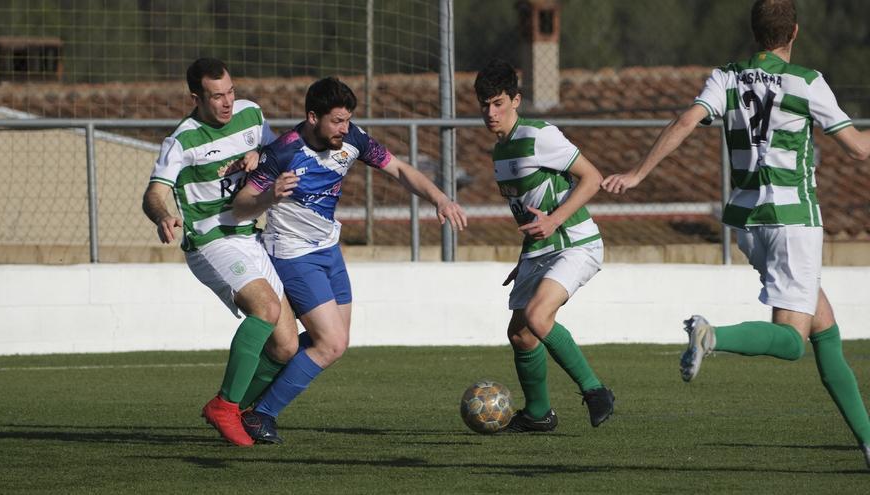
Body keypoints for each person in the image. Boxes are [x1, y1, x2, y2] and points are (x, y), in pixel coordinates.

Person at [602, 0, 870, 468]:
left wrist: (639, 173)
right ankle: (712, 337)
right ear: (795, 33)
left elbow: (687, 120)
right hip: (792, 223)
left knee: (825, 330)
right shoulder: (807, 81)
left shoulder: (726, 76)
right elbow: (859, 150)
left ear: (754, 33)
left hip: (747, 224)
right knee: (791, 342)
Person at [231, 76, 468, 443]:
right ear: (313, 117)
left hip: (328, 249)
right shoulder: (283, 151)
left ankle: (250, 395)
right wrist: (270, 197)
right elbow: (242, 205)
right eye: (337, 121)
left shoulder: (352, 139)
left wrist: (440, 198)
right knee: (332, 343)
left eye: (347, 119)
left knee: (332, 342)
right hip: (292, 253)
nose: (345, 128)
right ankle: (259, 414)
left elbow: (400, 170)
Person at [142, 57, 301, 447]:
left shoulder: (251, 114)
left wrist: (261, 157)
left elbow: (278, 151)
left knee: (286, 344)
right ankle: (226, 405)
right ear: (196, 98)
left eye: (230, 92)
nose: (227, 102)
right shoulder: (182, 141)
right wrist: (163, 215)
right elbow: (154, 194)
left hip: (249, 235)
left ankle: (238, 409)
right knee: (266, 308)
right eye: (217, 96)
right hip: (209, 241)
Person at [472, 59, 615, 432]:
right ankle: (538, 415)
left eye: (499, 103)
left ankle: (596, 390)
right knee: (519, 334)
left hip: (575, 242)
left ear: (516, 100)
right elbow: (527, 212)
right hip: (538, 252)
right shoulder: (499, 152)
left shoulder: (540, 135)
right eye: (485, 104)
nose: (491, 112)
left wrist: (554, 220)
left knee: (537, 318)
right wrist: (524, 258)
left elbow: (592, 178)